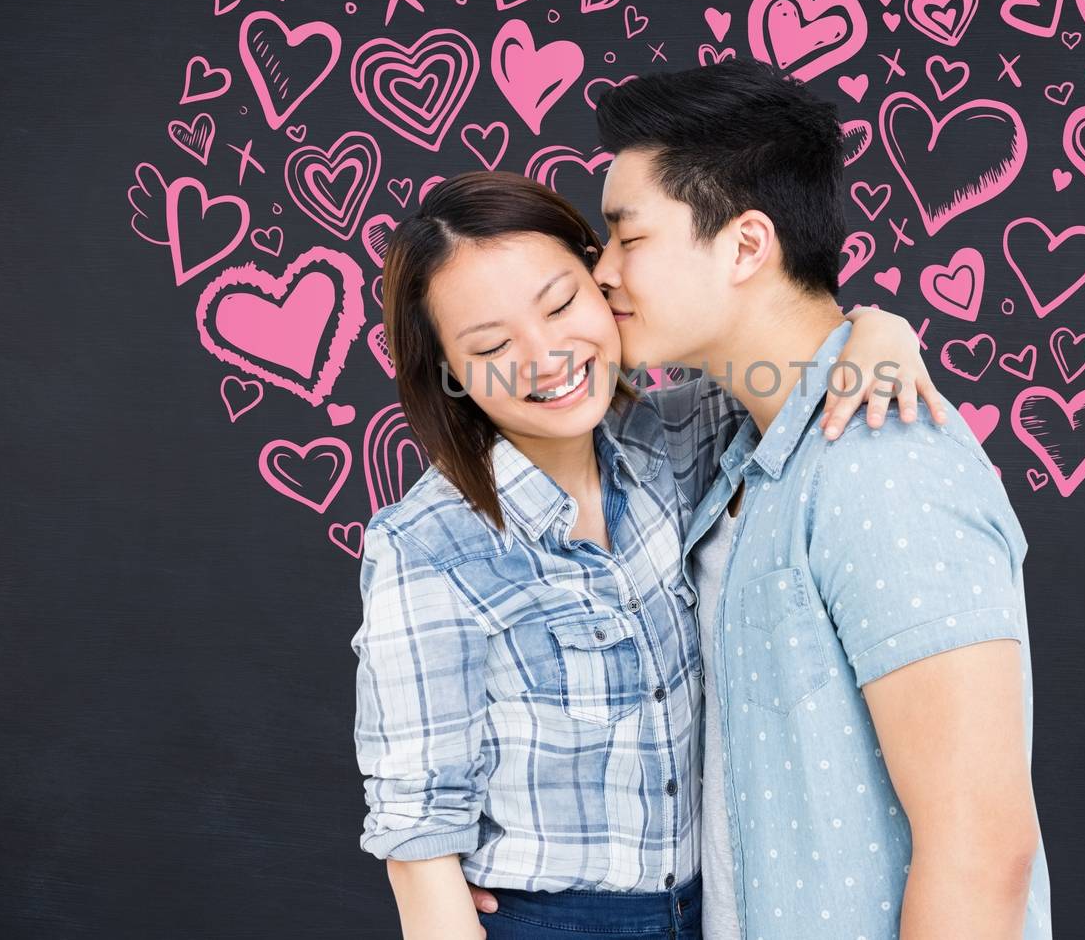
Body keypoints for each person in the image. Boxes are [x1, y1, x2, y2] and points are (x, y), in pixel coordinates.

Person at [350, 169, 947, 939]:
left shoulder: (679, 436)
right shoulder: (427, 545)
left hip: (717, 911)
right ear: (451, 375)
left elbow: (799, 357)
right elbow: (419, 836)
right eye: (492, 345)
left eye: (562, 304)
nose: (545, 355)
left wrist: (881, 328)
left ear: (604, 278)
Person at [588, 58, 1054, 939]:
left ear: (748, 244)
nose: (602, 272)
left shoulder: (884, 465)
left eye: (628, 237)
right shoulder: (738, 439)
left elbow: (982, 847)